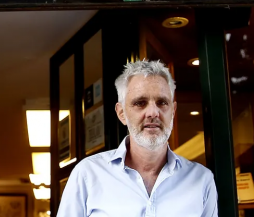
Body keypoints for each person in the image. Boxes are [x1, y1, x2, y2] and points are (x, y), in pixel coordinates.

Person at [57, 60, 218, 217]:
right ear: (121, 113)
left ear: (173, 111)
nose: (153, 112)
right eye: (140, 103)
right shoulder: (87, 174)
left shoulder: (201, 180)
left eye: (162, 102)